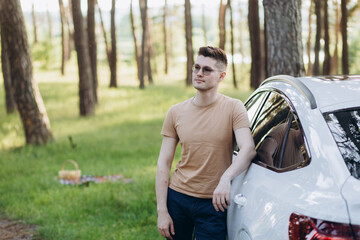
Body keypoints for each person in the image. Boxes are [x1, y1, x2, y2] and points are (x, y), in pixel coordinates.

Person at [155, 46, 256, 240]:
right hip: (178, 198)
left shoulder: (234, 107)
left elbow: (248, 149)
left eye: (207, 70)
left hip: (214, 203)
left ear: (221, 76)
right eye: (197, 67)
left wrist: (226, 179)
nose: (199, 73)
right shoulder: (175, 112)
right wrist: (162, 211)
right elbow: (164, 163)